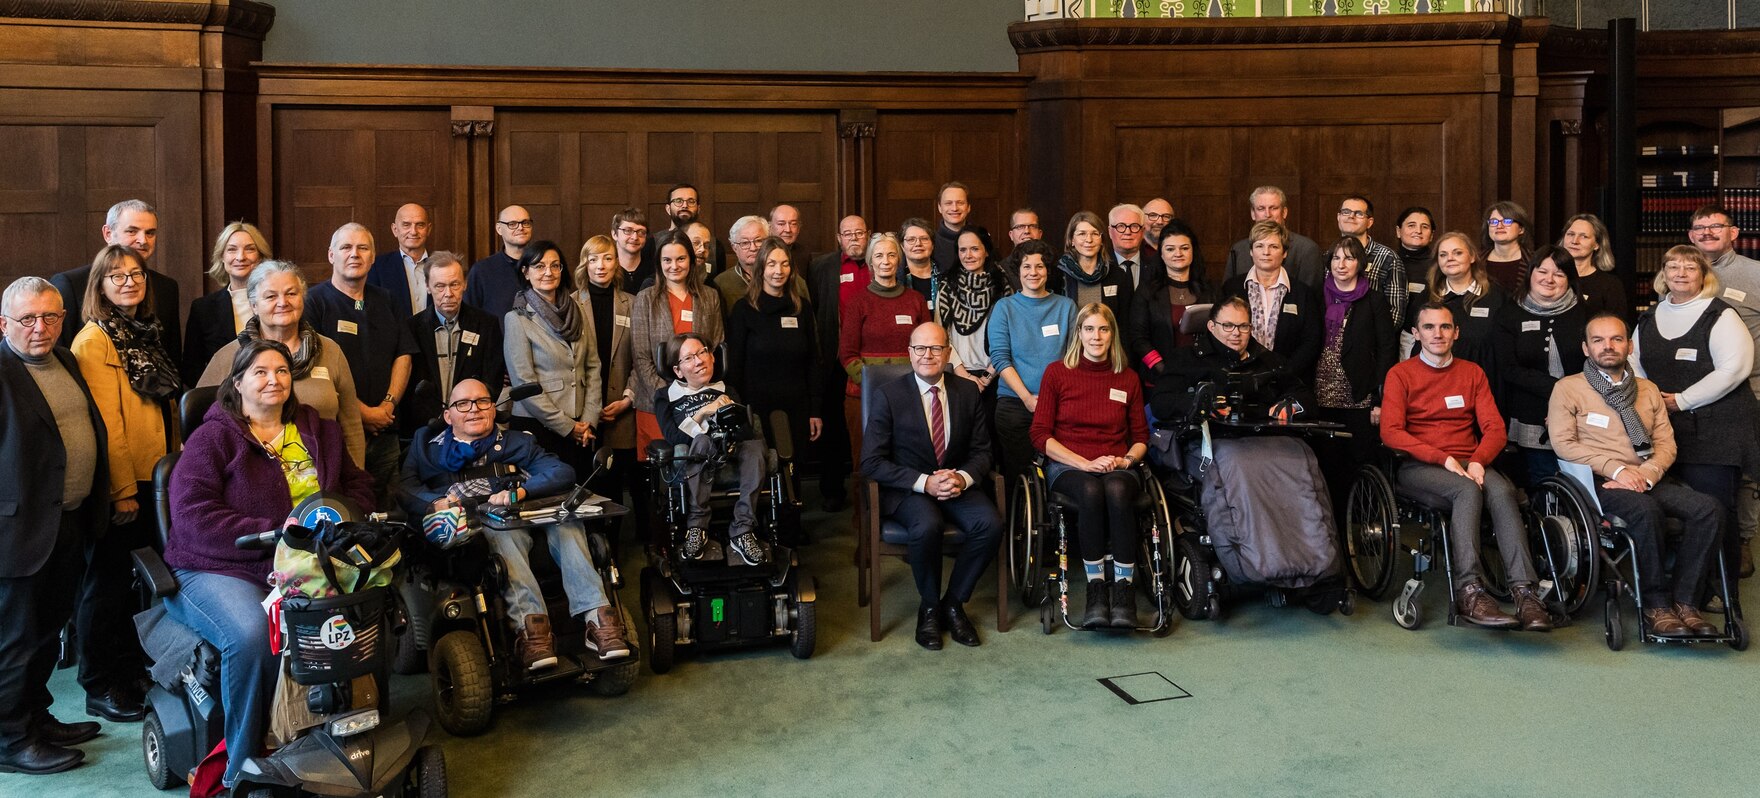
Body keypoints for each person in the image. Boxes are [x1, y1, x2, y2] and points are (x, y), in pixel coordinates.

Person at [168, 339, 374, 788]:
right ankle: (241, 768)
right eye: (259, 372)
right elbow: (191, 517)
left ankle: (343, 737)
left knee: (365, 614)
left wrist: (346, 518)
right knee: (252, 637)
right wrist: (275, 529)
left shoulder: (320, 430)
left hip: (311, 562)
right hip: (221, 565)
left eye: (281, 371)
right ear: (237, 382)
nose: (273, 380)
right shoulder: (214, 437)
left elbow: (358, 486)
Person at [400, 379, 629, 670]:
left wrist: (521, 492)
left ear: (493, 409)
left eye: (482, 402)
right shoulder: (426, 446)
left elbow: (561, 471)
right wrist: (435, 502)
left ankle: (599, 619)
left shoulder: (518, 441)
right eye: (463, 404)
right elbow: (406, 489)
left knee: (568, 523)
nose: (474, 410)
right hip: (474, 526)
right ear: (448, 415)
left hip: (520, 510)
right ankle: (531, 630)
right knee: (505, 535)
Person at [1550, 313, 1724, 637]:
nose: (1608, 346)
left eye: (1616, 339)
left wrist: (1646, 474)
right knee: (1646, 511)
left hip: (1647, 478)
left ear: (1629, 346)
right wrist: (1617, 469)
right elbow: (1564, 444)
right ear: (1586, 348)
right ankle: (1656, 605)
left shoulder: (1648, 389)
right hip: (1598, 482)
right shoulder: (1568, 388)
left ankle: (1686, 602)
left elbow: (1666, 443)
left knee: (1708, 509)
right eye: (1598, 340)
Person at [1380, 302, 1550, 631]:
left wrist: (1477, 461)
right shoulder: (1400, 374)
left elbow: (1495, 429)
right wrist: (1441, 457)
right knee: (1467, 490)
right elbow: (1391, 432)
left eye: (1445, 327)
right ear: (1416, 333)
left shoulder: (1472, 373)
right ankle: (1469, 590)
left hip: (1470, 463)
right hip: (1420, 465)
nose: (1437, 334)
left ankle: (1524, 592)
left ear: (1456, 332)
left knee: (1503, 492)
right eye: (1429, 327)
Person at [70, 245, 183, 723]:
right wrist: (122, 491)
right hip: (125, 482)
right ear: (99, 286)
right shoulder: (94, 340)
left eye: (135, 274)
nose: (129, 282)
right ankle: (98, 682)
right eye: (116, 276)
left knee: (143, 583)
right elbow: (108, 425)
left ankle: (131, 667)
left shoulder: (146, 332)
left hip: (156, 474)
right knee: (107, 583)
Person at [0, 277, 107, 775]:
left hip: (67, 522)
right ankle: (9, 741)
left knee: (46, 633)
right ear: (4, 324)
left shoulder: (64, 360)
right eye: (27, 319)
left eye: (51, 317)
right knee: (16, 641)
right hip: (16, 536)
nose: (40, 328)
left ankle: (36, 718)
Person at [1630, 245, 1760, 610]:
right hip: (1666, 429)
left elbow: (1733, 369)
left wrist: (1680, 400)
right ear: (1663, 275)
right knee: (1677, 509)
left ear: (1705, 275)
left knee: (1719, 509)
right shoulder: (1648, 318)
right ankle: (1684, 589)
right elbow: (1634, 365)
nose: (1682, 272)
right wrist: (1655, 399)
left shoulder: (1721, 315)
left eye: (1691, 266)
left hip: (1719, 430)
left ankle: (1722, 591)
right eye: (1674, 266)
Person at [860, 322, 1002, 650]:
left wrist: (961, 478)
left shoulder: (967, 392)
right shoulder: (889, 396)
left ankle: (953, 604)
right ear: (909, 353)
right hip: (909, 489)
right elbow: (870, 462)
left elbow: (983, 451)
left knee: (990, 524)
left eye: (935, 348)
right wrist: (925, 483)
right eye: (920, 348)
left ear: (948, 353)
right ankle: (928, 607)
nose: (927, 355)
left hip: (955, 483)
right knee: (927, 525)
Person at [1030, 303, 1150, 628]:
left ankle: (1123, 591)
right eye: (1089, 329)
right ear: (1078, 334)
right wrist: (1084, 462)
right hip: (1069, 465)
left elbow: (1140, 437)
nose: (1096, 336)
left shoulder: (1127, 378)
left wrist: (1126, 460)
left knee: (1114, 485)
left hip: (1117, 464)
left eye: (1103, 329)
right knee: (1090, 488)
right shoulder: (1057, 373)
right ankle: (1097, 588)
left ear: (1113, 334)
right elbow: (1040, 434)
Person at [199, 260, 366, 467]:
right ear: (253, 305)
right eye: (270, 296)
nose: (282, 302)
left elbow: (352, 427)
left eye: (291, 293)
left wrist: (354, 485)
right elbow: (198, 426)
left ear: (303, 299)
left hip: (323, 482)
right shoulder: (229, 357)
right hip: (248, 481)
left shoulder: (331, 351)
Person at [304, 223, 419, 502]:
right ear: (332, 255)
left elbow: (403, 354)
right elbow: (315, 369)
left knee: (385, 511)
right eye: (346, 247)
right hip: (337, 431)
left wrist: (387, 405)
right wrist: (363, 413)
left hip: (387, 429)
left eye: (362, 248)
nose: (354, 254)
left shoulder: (387, 299)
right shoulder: (313, 302)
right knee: (342, 506)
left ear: (372, 257)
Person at [655, 334, 770, 565]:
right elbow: (674, 436)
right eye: (689, 358)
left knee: (756, 447)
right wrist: (703, 412)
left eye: (702, 352)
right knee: (702, 442)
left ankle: (743, 529)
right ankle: (697, 525)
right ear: (678, 370)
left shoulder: (726, 389)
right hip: (698, 453)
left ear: (712, 357)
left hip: (730, 448)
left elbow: (746, 432)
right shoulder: (666, 396)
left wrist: (730, 417)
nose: (699, 361)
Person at [1690, 203, 1760, 577]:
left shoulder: (1754, 274)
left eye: (1716, 226)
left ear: (1733, 233)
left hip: (1749, 387)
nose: (1707, 233)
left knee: (1745, 469)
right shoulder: (1683, 270)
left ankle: (1744, 541)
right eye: (1699, 228)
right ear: (1690, 236)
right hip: (1694, 390)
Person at [725, 237, 822, 486]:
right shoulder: (744, 310)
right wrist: (741, 411)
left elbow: (813, 361)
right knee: (762, 470)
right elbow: (735, 367)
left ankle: (792, 523)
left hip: (797, 405)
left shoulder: (803, 308)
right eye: (771, 264)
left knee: (794, 468)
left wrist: (815, 411)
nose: (778, 271)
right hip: (757, 407)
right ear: (761, 268)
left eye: (784, 264)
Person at [1311, 237, 1397, 510]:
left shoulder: (1374, 300)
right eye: (1336, 258)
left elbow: (1386, 350)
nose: (1341, 264)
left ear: (1361, 264)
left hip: (1359, 395)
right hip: (1319, 395)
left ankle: (1358, 523)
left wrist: (1379, 398)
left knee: (1357, 462)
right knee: (1326, 464)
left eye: (1349, 258)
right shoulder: (1316, 296)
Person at [503, 241, 603, 475]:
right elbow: (524, 384)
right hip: (538, 426)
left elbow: (593, 367)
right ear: (526, 273)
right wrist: (568, 427)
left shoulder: (577, 310)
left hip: (581, 427)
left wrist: (588, 421)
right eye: (539, 266)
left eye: (555, 266)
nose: (548, 272)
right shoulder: (517, 318)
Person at [838, 234, 931, 470]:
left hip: (909, 397)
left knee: (907, 462)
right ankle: (866, 509)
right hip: (863, 397)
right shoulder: (858, 302)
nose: (886, 261)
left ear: (899, 261)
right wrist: (874, 386)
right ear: (871, 263)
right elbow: (847, 353)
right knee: (865, 463)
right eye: (879, 255)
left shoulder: (915, 300)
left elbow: (926, 347)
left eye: (891, 255)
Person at [1493, 246, 1584, 483]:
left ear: (1569, 279)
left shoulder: (1585, 313)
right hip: (1530, 413)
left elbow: (1597, 363)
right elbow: (1508, 368)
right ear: (1530, 273)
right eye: (1542, 271)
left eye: (1559, 274)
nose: (1549, 279)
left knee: (1580, 479)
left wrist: (1571, 399)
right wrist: (1560, 390)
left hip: (1581, 410)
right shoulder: (1509, 313)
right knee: (1542, 478)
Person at [989, 239, 1076, 485]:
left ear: (1048, 270)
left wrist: (1051, 400)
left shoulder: (1066, 306)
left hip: (1059, 405)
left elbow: (1073, 355)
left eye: (1039, 266)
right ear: (1018, 271)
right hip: (1015, 404)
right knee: (1021, 478)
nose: (1033, 272)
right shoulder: (1004, 308)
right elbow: (999, 357)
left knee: (1061, 475)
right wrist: (1027, 398)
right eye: (1027, 266)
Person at [631, 230, 723, 463]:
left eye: (680, 259)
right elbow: (641, 356)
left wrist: (695, 395)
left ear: (691, 261)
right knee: (663, 477)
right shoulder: (645, 298)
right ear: (659, 263)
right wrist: (670, 397)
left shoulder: (709, 296)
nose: (674, 266)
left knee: (702, 468)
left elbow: (716, 345)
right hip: (657, 403)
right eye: (667, 260)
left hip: (702, 401)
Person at [51, 199, 182, 362]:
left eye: (150, 233)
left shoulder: (167, 287)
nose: (143, 240)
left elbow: (172, 356)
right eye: (132, 231)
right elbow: (59, 355)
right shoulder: (69, 284)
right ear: (108, 234)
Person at [402, 252, 505, 437]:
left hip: (474, 426)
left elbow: (492, 379)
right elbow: (411, 387)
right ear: (427, 287)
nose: (448, 294)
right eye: (440, 286)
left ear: (464, 284)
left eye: (454, 284)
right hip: (425, 428)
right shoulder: (411, 328)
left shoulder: (486, 325)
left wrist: (466, 415)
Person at [806, 215, 870, 512]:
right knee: (833, 428)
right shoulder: (822, 267)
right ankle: (832, 489)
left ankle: (873, 492)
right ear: (838, 238)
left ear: (868, 235)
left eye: (859, 232)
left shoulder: (882, 260)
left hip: (874, 361)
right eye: (848, 234)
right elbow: (815, 309)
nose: (855, 238)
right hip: (834, 359)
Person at [575, 236, 636, 499]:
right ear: (584, 264)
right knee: (586, 484)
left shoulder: (632, 303)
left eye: (608, 258)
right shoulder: (570, 303)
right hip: (581, 412)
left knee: (616, 485)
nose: (601, 265)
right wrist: (588, 408)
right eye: (594, 259)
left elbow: (641, 358)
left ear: (616, 264)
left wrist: (628, 398)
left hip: (620, 410)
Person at [1222, 220, 1322, 379]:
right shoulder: (1231, 288)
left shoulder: (1302, 292)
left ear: (1284, 253)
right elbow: (1220, 332)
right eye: (1259, 246)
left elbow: (1311, 341)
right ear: (1251, 251)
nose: (1265, 252)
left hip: (1288, 380)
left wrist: (1285, 372)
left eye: (1273, 246)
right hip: (1239, 376)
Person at [183, 221, 270, 386]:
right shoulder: (203, 309)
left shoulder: (279, 302)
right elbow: (191, 370)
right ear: (222, 257)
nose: (240, 257)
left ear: (260, 257)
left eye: (250, 249)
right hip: (221, 399)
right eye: (232, 249)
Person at [1127, 220, 1209, 390]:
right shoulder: (1147, 291)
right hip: (1159, 379)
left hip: (1203, 378)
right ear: (1161, 254)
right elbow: (1138, 338)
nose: (1178, 253)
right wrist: (1163, 369)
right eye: (1170, 249)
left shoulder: (1210, 289)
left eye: (1184, 248)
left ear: (1193, 251)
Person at [1407, 231, 1504, 370]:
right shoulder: (1427, 297)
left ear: (1472, 257)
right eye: (1443, 255)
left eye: (1457, 253)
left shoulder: (1495, 295)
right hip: (1434, 378)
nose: (1450, 258)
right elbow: (1414, 339)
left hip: (1483, 377)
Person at [937, 229, 1012, 399]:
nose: (968, 255)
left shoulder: (1002, 284)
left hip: (997, 375)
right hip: (956, 373)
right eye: (963, 250)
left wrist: (987, 376)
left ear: (986, 251)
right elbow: (940, 336)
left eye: (975, 249)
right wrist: (963, 373)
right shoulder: (947, 286)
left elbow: (1011, 335)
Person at [1223, 186, 1325, 288]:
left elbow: (1311, 297)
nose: (1267, 214)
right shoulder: (1238, 249)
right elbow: (1227, 295)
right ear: (1253, 213)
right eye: (1261, 209)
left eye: (1274, 208)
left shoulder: (1307, 249)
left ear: (1284, 212)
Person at [1334, 195, 1407, 329]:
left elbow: (1396, 313)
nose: (1351, 216)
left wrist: (1369, 339)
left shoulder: (1388, 258)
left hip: (1371, 342)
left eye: (1359, 214)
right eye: (1346, 212)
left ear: (1370, 222)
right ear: (1339, 217)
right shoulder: (1329, 256)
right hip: (1332, 338)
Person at [1055, 211, 1132, 327]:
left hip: (1109, 343)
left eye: (1095, 234)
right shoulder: (1058, 275)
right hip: (1071, 343)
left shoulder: (1117, 275)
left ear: (1102, 240)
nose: (1089, 240)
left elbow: (1126, 322)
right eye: (1082, 234)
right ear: (1071, 240)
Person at [463, 205, 535, 319]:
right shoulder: (482, 270)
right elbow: (469, 315)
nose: (521, 228)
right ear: (499, 229)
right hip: (497, 336)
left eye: (525, 222)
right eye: (512, 224)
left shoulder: (544, 266)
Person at [366, 202, 433, 319]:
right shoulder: (377, 267)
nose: (413, 231)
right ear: (395, 229)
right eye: (406, 225)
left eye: (420, 225)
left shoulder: (442, 265)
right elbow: (364, 305)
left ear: (428, 229)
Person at [1559, 213, 1628, 321]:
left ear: (1597, 244)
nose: (1574, 241)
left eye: (1584, 236)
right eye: (1570, 234)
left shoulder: (1610, 285)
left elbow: (1617, 325)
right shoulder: (1550, 278)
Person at [931, 182, 994, 276]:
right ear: (940, 208)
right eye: (948, 203)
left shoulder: (982, 238)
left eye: (960, 203)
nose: (954, 208)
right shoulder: (930, 242)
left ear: (968, 207)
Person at [713, 215, 770, 310]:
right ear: (734, 247)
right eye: (745, 243)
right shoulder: (721, 283)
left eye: (759, 241)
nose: (753, 248)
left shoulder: (782, 277)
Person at [1481, 201, 1534, 295]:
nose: (1499, 226)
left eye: (1507, 221)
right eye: (1493, 221)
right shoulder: (1477, 260)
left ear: (1521, 229)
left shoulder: (1534, 260)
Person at [1394, 206, 1437, 298]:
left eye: (1425, 227)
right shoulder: (1388, 260)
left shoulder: (1439, 264)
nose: (1418, 231)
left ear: (1432, 235)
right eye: (1411, 225)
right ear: (1398, 231)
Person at [611, 207, 655, 292]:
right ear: (614, 234)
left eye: (641, 232)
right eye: (627, 230)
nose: (635, 237)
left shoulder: (655, 271)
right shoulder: (606, 270)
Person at [1106, 204, 1149, 290]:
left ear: (1143, 232)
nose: (1128, 232)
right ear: (1110, 232)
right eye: (1121, 226)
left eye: (1134, 226)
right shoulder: (1101, 267)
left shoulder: (1155, 267)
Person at [899, 217, 938, 305]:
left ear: (933, 245)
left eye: (924, 239)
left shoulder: (946, 277)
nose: (918, 244)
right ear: (902, 246)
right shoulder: (895, 279)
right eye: (911, 240)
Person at [768, 203, 811, 277]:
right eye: (781, 224)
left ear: (799, 228)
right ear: (770, 227)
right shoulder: (760, 253)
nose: (788, 230)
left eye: (793, 224)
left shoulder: (804, 254)